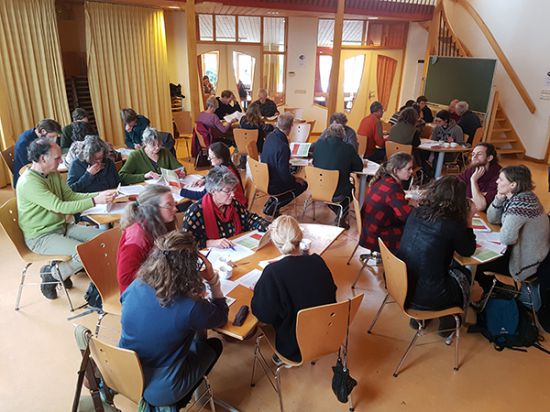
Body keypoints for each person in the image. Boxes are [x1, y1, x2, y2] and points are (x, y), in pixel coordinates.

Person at [119, 231, 227, 408]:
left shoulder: (136, 285)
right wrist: (213, 282)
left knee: (182, 333)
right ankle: (175, 402)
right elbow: (221, 317)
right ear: (191, 266)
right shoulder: (191, 307)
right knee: (214, 345)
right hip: (161, 388)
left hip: (125, 370)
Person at [16, 138, 117, 299]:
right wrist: (94, 200)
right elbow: (60, 206)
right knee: (85, 253)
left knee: (104, 239)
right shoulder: (29, 182)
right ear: (43, 159)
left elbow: (70, 195)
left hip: (61, 227)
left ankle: (61, 271)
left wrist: (98, 195)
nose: (61, 160)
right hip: (41, 236)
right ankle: (52, 275)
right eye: (57, 158)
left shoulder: (52, 173)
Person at [251, 216, 337, 362]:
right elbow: (332, 291)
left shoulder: (273, 272)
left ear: (274, 240)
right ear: (300, 237)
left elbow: (264, 316)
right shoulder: (318, 260)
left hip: (293, 347)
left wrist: (260, 292)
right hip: (328, 333)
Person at [398, 176, 476, 334]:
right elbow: (467, 251)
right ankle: (447, 324)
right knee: (465, 274)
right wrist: (468, 220)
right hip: (430, 295)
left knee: (427, 264)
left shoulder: (417, 212)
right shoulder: (453, 223)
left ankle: (419, 319)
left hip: (402, 285)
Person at [476, 166, 550, 293]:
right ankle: (492, 288)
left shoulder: (520, 205)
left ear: (513, 185)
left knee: (477, 262)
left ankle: (489, 291)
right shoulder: (524, 196)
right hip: (528, 252)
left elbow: (507, 238)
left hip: (525, 261)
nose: (497, 182)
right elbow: (492, 218)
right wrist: (499, 197)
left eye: (501, 179)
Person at [181, 166, 269, 249]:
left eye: (233, 189)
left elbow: (248, 219)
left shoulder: (233, 204)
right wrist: (211, 243)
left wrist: (267, 225)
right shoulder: (196, 212)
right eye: (227, 191)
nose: (233, 194)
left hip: (236, 251)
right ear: (213, 191)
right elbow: (185, 244)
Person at [117, 185, 177, 293]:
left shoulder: (161, 225)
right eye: (169, 205)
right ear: (151, 209)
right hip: (138, 293)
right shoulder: (136, 238)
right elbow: (125, 278)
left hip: (159, 282)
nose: (175, 209)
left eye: (174, 204)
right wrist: (160, 270)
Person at [360, 152, 414, 253]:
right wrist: (415, 206)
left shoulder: (383, 180)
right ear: (395, 170)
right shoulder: (393, 188)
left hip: (368, 231)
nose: (411, 171)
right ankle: (402, 263)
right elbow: (406, 216)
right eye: (408, 169)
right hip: (378, 237)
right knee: (415, 232)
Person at [312, 123, 363, 228]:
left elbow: (314, 162)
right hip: (337, 191)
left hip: (318, 188)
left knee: (334, 189)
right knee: (350, 189)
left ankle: (339, 212)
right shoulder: (348, 148)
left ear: (328, 133)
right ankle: (341, 216)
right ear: (343, 135)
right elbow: (359, 167)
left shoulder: (318, 144)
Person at [261, 112, 308, 216]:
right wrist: (295, 179)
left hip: (264, 178)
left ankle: (272, 202)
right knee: (303, 184)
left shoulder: (270, 136)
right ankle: (275, 205)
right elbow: (284, 176)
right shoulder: (283, 146)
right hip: (273, 184)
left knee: (294, 177)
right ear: (291, 126)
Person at [180, 142, 247, 207]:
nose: (208, 158)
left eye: (211, 157)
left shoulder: (225, 174)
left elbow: (201, 196)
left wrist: (180, 191)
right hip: (234, 200)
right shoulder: (226, 166)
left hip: (235, 205)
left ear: (220, 158)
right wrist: (204, 179)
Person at [12, 118, 62, 187]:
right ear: (43, 131)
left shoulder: (38, 135)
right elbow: (29, 165)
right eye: (52, 136)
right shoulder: (24, 143)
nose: (54, 140)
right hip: (26, 177)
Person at [458, 143, 500, 211]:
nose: (474, 157)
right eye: (473, 154)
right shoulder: (472, 169)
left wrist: (473, 181)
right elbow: (455, 185)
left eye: (479, 154)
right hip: (468, 208)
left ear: (489, 158)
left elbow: (480, 205)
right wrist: (479, 195)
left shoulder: (498, 176)